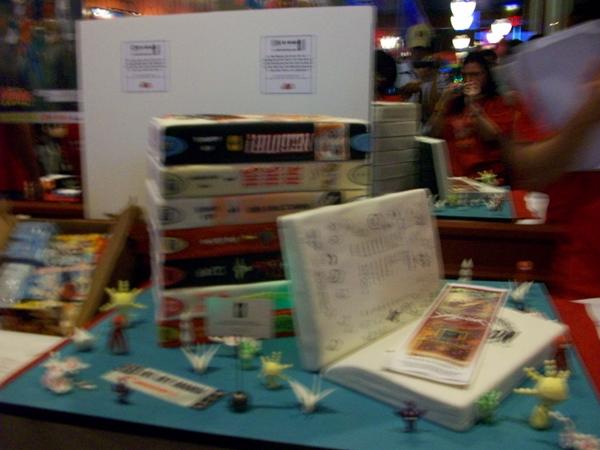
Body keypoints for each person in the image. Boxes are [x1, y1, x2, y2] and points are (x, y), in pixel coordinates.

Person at [428, 51, 522, 183]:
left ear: (486, 75)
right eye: (465, 75)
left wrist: (473, 105)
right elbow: (433, 133)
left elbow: (491, 136)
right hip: (456, 178)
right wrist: (443, 101)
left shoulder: (498, 102)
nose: (469, 80)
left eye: (475, 74)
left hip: (488, 178)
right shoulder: (454, 103)